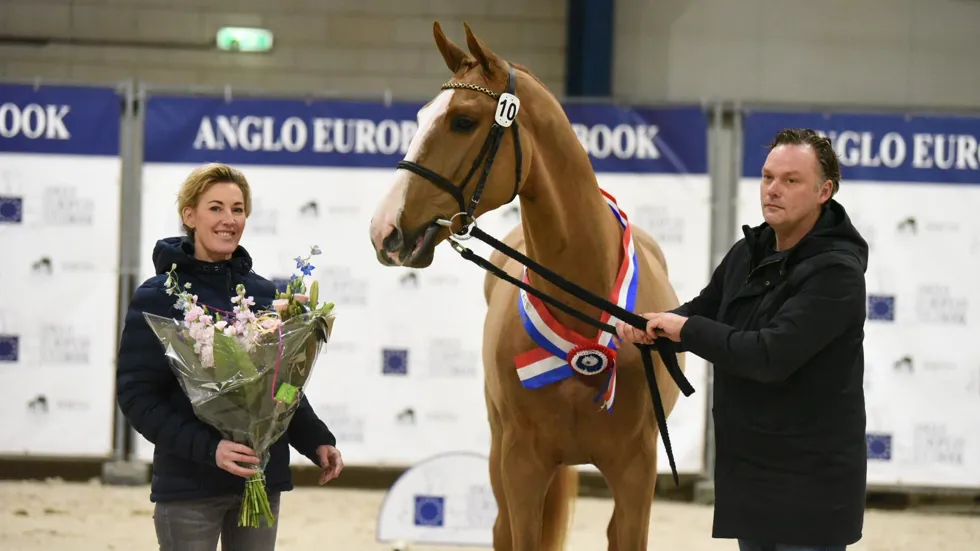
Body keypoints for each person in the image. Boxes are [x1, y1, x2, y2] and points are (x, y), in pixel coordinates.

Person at [617, 128, 869, 551]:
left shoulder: (836, 272)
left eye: (791, 181)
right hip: (753, 471)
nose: (773, 190)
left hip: (811, 486)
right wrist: (655, 326)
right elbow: (706, 309)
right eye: (768, 177)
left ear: (825, 190)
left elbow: (768, 355)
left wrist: (685, 329)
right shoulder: (748, 250)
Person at [116, 163, 344, 551]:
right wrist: (210, 449)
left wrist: (317, 440)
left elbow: (281, 388)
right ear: (190, 215)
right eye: (216, 208)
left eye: (237, 209)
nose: (229, 220)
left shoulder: (263, 295)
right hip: (189, 485)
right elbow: (137, 398)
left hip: (259, 479)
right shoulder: (158, 297)